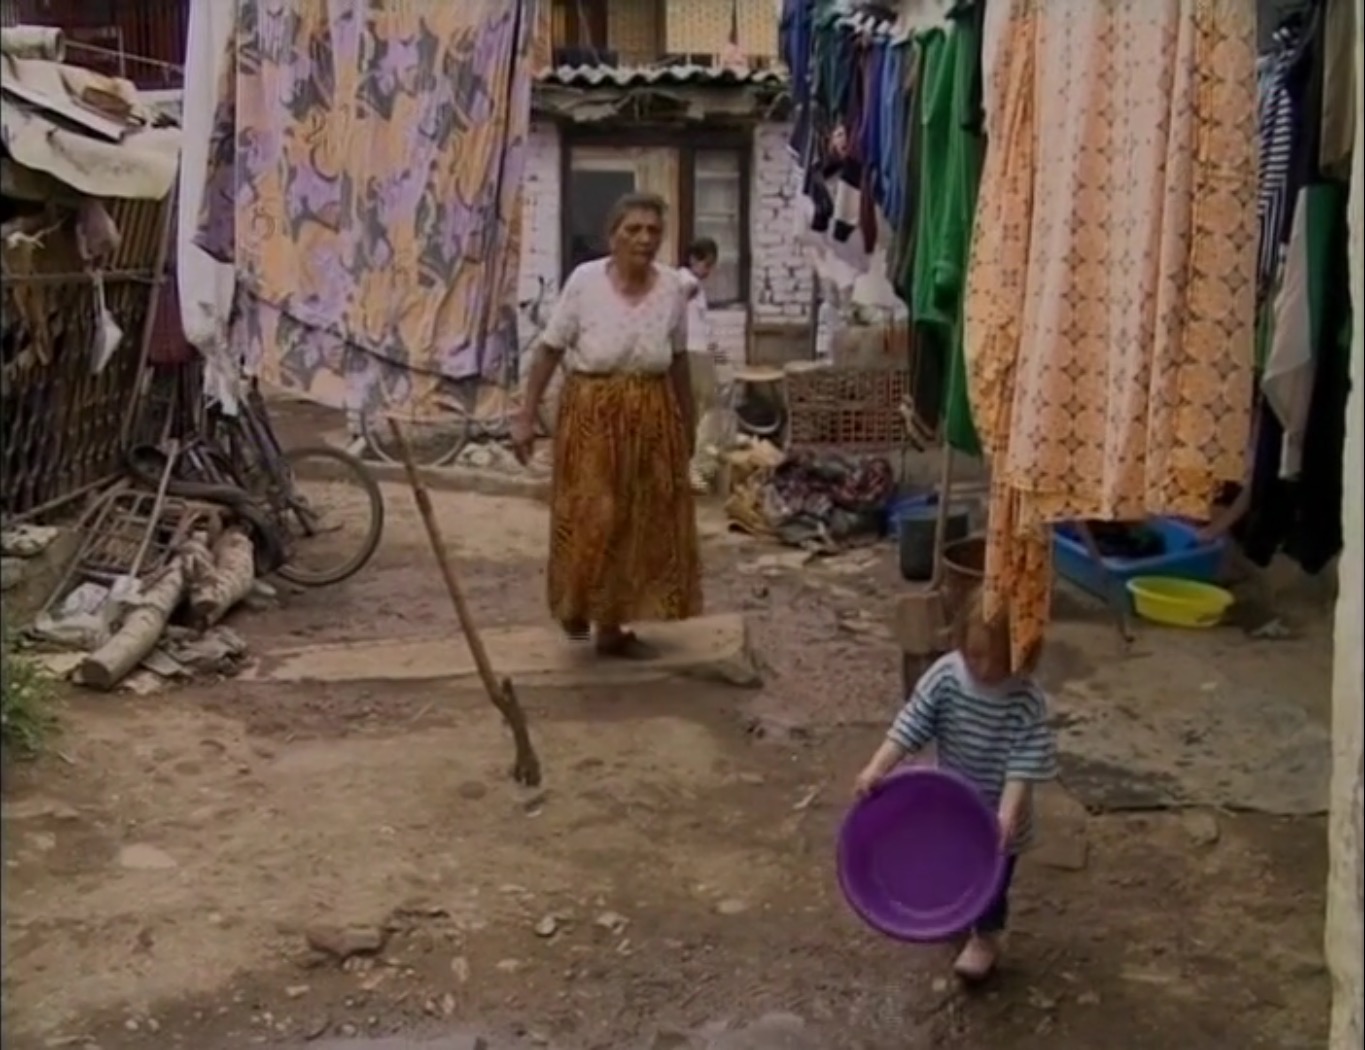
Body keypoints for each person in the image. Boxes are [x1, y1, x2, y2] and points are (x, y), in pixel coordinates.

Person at [511, 192, 702, 657]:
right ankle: (577, 605)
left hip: (651, 414)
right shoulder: (585, 281)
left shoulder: (672, 289)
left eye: (653, 231)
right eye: (632, 229)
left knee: (639, 522)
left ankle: (612, 627)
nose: (644, 239)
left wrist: (688, 422)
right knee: (592, 515)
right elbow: (549, 350)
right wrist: (525, 415)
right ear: (612, 235)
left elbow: (678, 360)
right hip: (592, 414)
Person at [853, 588, 1058, 981]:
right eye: (975, 654)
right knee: (955, 861)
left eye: (1000, 661)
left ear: (1024, 654)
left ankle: (985, 938)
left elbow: (1023, 762)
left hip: (999, 814)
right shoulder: (946, 676)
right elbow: (912, 722)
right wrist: (877, 767)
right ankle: (958, 910)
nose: (985, 669)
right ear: (960, 638)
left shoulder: (1025, 699)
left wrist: (1006, 813)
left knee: (993, 882)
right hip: (953, 804)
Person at [676, 238, 731, 492]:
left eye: (711, 265)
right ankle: (697, 468)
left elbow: (706, 330)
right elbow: (678, 299)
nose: (708, 271)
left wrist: (721, 360)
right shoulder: (686, 281)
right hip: (692, 352)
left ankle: (695, 465)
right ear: (693, 260)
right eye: (706, 264)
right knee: (708, 411)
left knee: (702, 412)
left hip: (701, 352)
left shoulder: (696, 285)